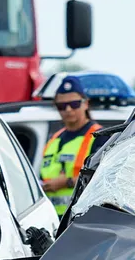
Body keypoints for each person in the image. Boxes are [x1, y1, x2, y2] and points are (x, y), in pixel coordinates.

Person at [40, 77, 102, 216]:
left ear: (86, 104)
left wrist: (67, 182)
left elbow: (103, 178)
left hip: (80, 218)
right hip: (51, 219)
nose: (68, 109)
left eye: (74, 104)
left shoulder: (100, 137)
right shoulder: (54, 139)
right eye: (61, 106)